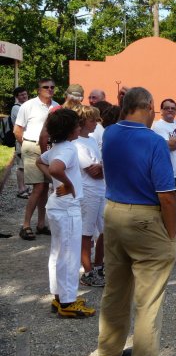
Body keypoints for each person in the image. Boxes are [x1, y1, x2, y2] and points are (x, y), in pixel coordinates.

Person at [97, 87, 176, 356]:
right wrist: (171, 236)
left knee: (115, 290)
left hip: (113, 212)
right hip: (144, 218)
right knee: (148, 301)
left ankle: (108, 354)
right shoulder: (154, 141)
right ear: (149, 106)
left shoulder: (109, 133)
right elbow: (167, 196)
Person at [36, 108, 96, 318]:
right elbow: (54, 169)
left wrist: (57, 183)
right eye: (77, 125)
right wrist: (68, 184)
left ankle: (59, 295)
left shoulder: (57, 147)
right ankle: (68, 301)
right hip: (68, 207)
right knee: (70, 254)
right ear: (71, 130)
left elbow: (41, 161)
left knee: (58, 252)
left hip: (57, 206)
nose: (80, 127)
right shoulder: (69, 149)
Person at [14, 78, 59, 240]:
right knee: (39, 187)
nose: (50, 89)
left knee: (45, 188)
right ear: (38, 89)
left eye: (52, 87)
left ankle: (41, 224)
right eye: (46, 87)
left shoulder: (56, 106)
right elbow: (17, 130)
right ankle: (25, 225)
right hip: (32, 147)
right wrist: (27, 146)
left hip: (49, 148)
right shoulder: (28, 105)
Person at [73, 106, 106, 287]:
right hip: (88, 191)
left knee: (105, 229)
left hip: (100, 189)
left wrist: (102, 166)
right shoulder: (77, 144)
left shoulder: (92, 140)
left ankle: (99, 266)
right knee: (86, 232)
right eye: (93, 120)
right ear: (83, 121)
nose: (96, 123)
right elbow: (93, 171)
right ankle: (87, 272)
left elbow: (101, 166)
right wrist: (102, 167)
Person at [152, 99, 176, 221]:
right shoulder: (158, 126)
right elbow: (167, 146)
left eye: (173, 108)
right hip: (170, 173)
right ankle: (170, 236)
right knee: (170, 208)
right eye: (167, 108)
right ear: (161, 111)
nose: (170, 110)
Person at [11, 87, 29, 199]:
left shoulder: (24, 107)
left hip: (26, 139)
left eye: (25, 94)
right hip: (20, 139)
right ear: (17, 97)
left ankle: (24, 187)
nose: (24, 96)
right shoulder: (16, 108)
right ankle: (21, 189)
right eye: (21, 95)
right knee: (21, 166)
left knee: (25, 165)